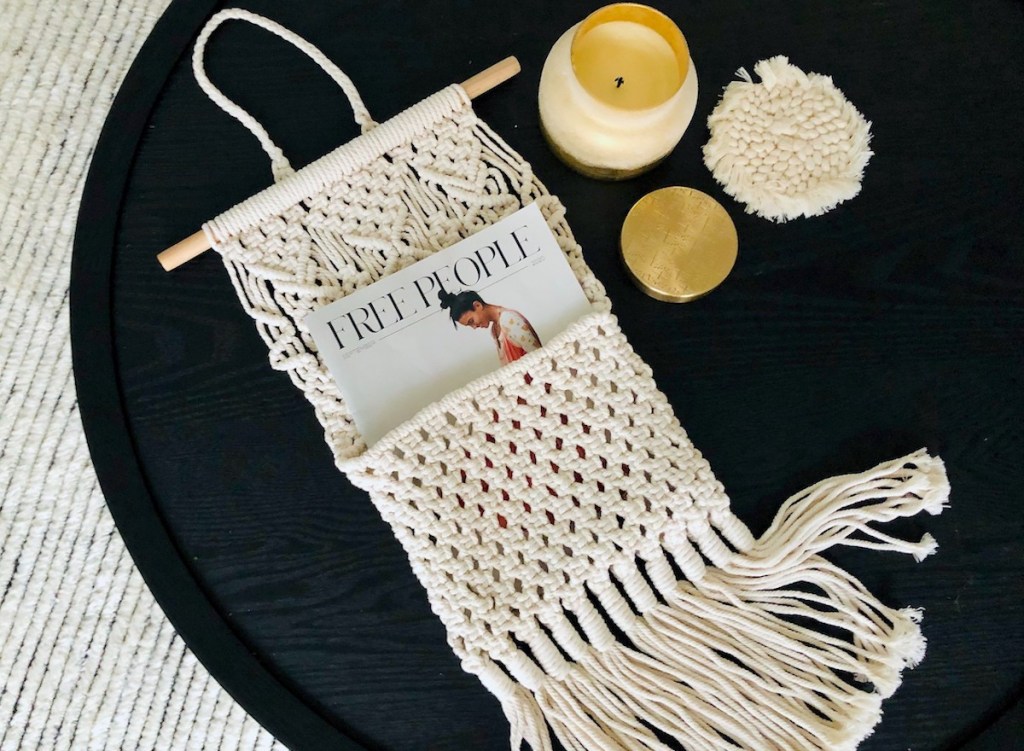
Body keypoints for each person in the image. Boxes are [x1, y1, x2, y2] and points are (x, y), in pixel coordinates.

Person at [439, 289, 542, 365]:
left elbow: (540, 357)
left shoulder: (508, 319)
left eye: (471, 321)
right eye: (469, 325)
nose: (474, 327)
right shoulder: (494, 330)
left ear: (477, 305)